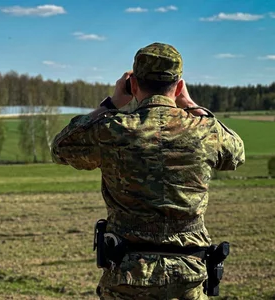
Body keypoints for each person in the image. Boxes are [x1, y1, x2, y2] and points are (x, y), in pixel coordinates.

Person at [51, 42, 245, 299]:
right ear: (177, 86)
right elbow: (236, 153)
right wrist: (189, 104)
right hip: (187, 275)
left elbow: (61, 148)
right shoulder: (205, 130)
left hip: (128, 274)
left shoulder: (114, 129)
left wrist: (110, 104)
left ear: (133, 85)